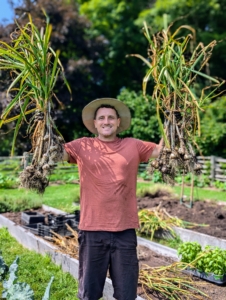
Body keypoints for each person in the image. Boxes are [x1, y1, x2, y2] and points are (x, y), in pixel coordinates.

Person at [63, 98, 162, 300]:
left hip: (124, 231)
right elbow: (56, 154)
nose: (106, 121)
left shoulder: (134, 145)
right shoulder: (83, 145)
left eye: (110, 118)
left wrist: (172, 122)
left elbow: (163, 152)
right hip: (92, 230)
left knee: (126, 294)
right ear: (95, 123)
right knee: (89, 293)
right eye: (101, 118)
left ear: (118, 122)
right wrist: (43, 123)